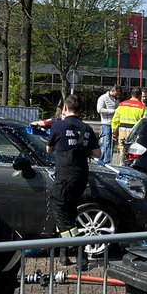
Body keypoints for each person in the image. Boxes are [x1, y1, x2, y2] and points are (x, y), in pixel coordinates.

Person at [46, 95, 100, 239]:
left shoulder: (58, 125)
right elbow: (97, 153)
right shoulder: (87, 128)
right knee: (69, 211)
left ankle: (76, 247)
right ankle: (64, 254)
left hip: (64, 177)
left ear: (65, 108)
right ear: (80, 109)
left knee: (59, 209)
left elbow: (49, 149)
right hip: (81, 177)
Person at [111, 88, 146, 158]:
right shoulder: (143, 107)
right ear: (139, 96)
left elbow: (115, 119)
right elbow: (145, 121)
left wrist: (114, 132)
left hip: (122, 131)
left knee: (122, 150)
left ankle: (121, 165)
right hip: (135, 132)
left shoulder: (122, 105)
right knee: (133, 152)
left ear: (131, 95)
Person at [95, 86, 120, 164]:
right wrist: (113, 111)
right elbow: (99, 110)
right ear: (112, 91)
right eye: (117, 93)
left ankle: (104, 160)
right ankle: (105, 161)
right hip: (106, 123)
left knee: (112, 143)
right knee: (107, 143)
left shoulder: (116, 99)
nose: (118, 95)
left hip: (114, 124)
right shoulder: (102, 98)